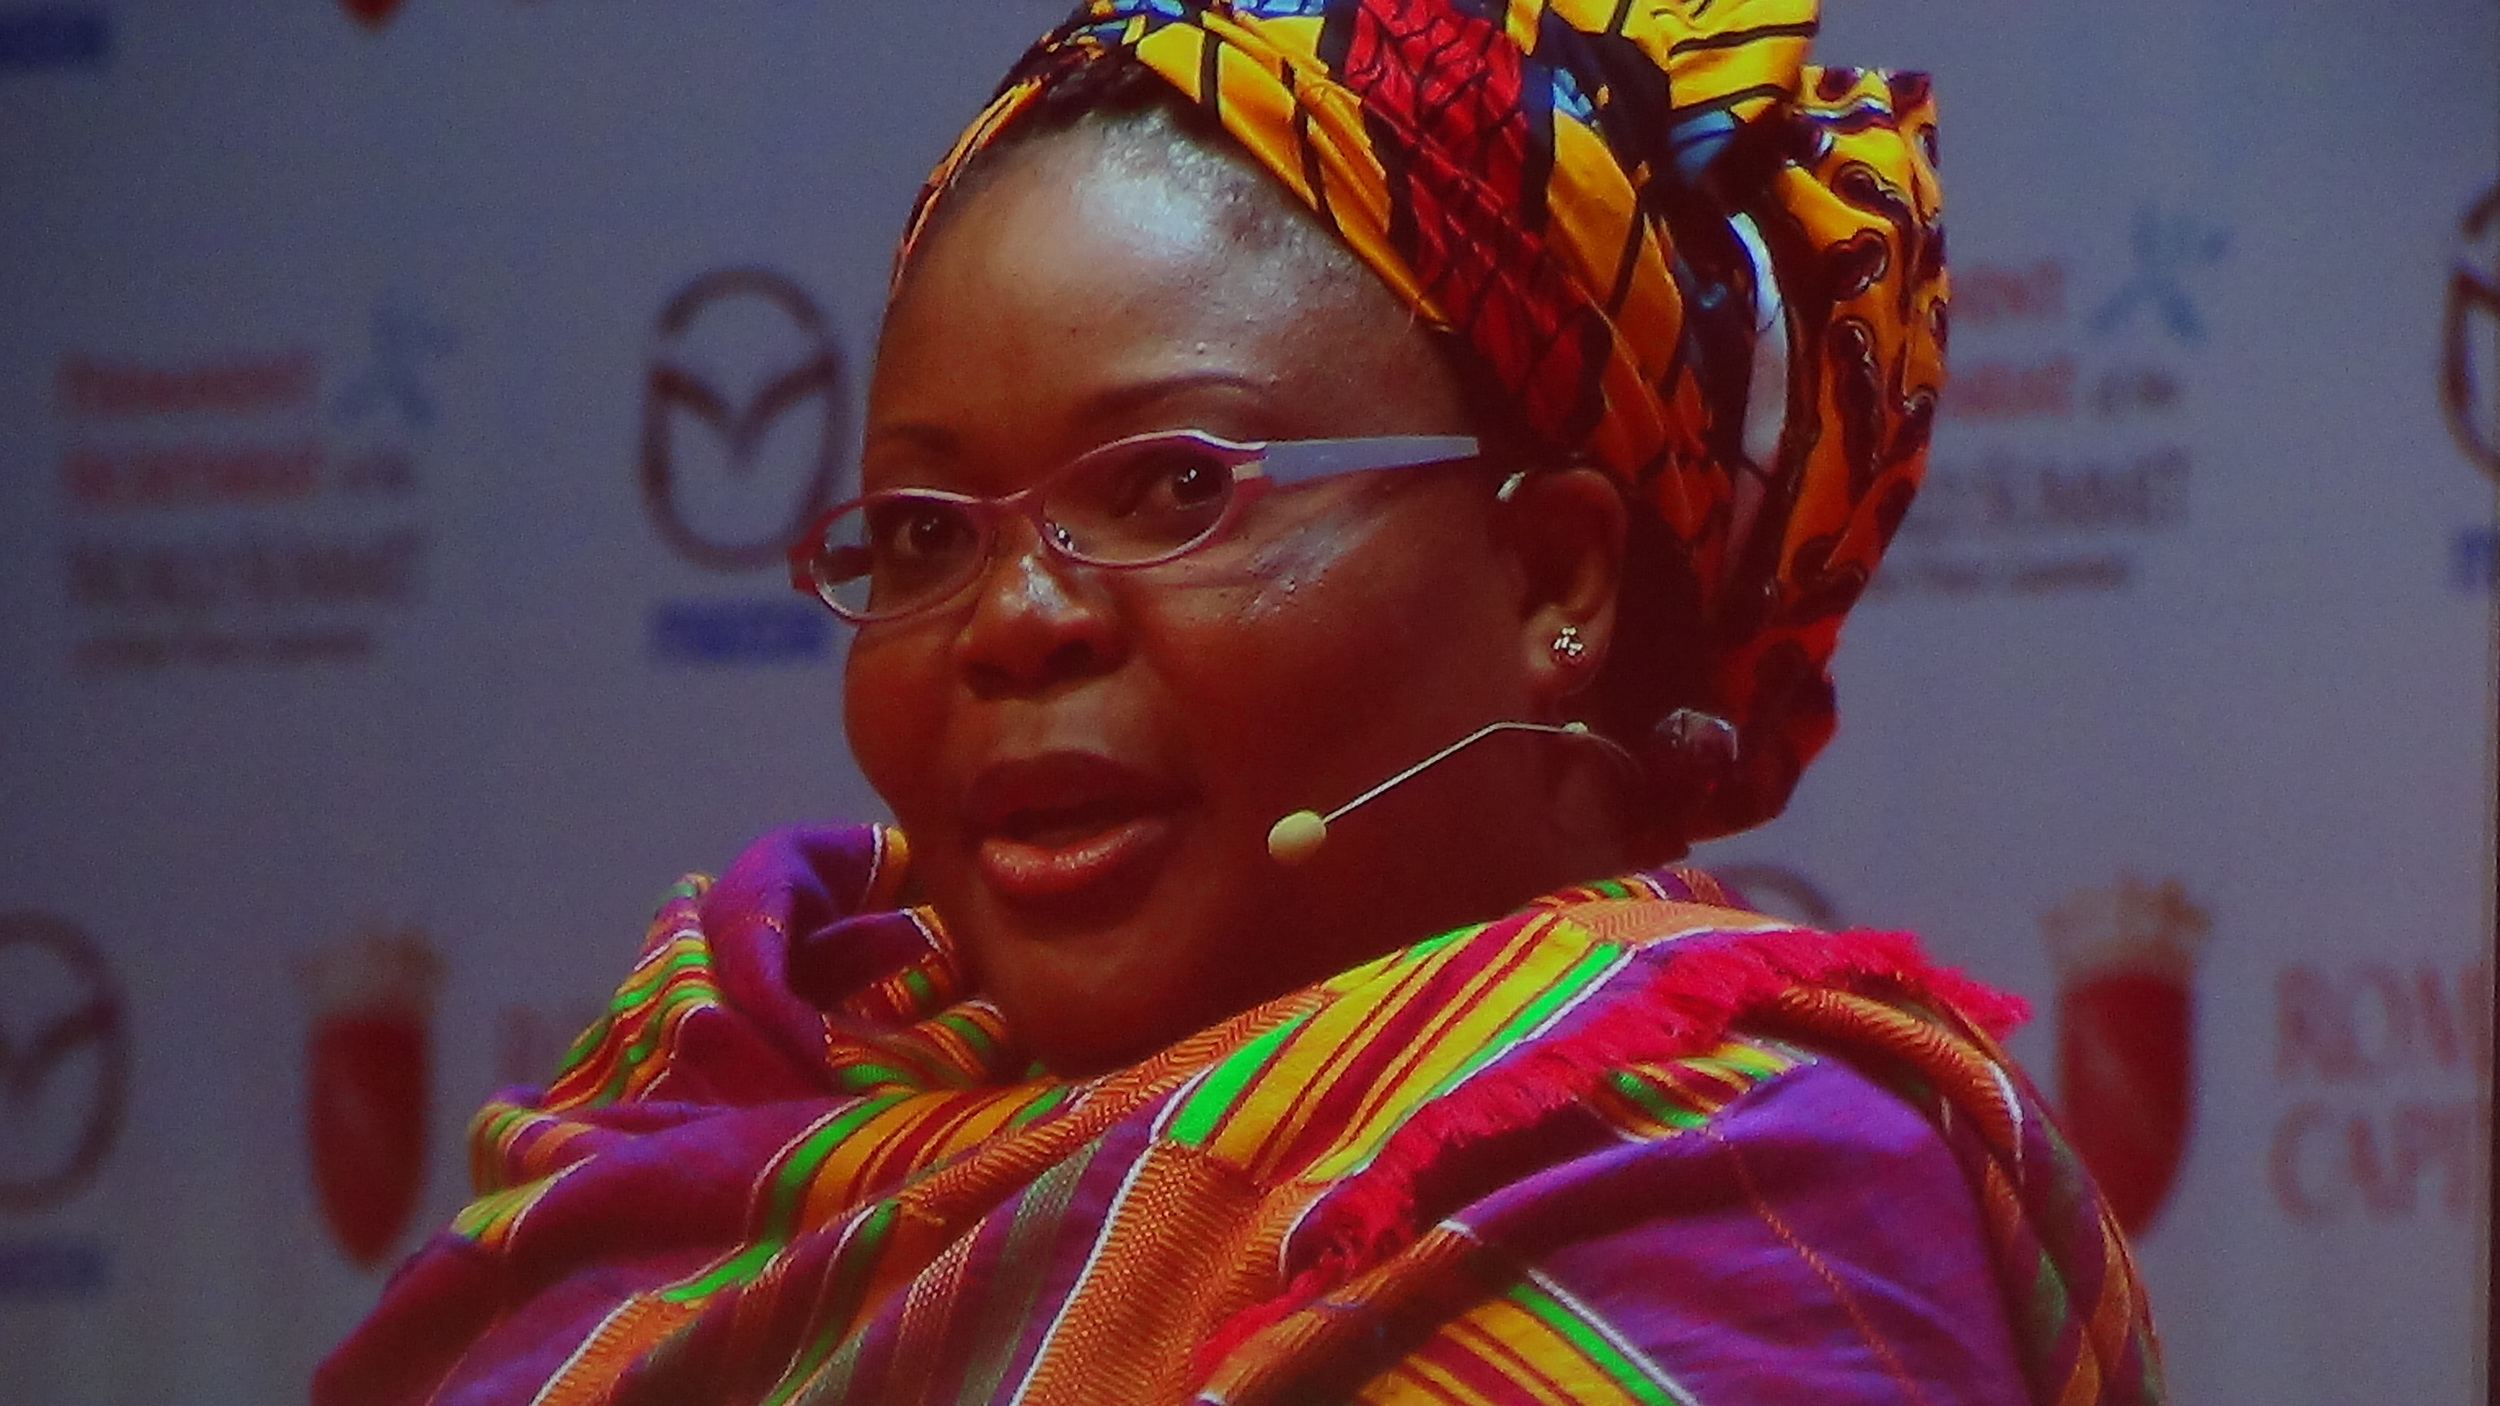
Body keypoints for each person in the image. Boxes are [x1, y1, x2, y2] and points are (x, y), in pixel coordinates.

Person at [318, 2, 2161, 1403]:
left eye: (1177, 488)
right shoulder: (712, 1116)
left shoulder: (1735, 1197)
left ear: (1556, 584)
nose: (1014, 619)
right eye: (922, 528)